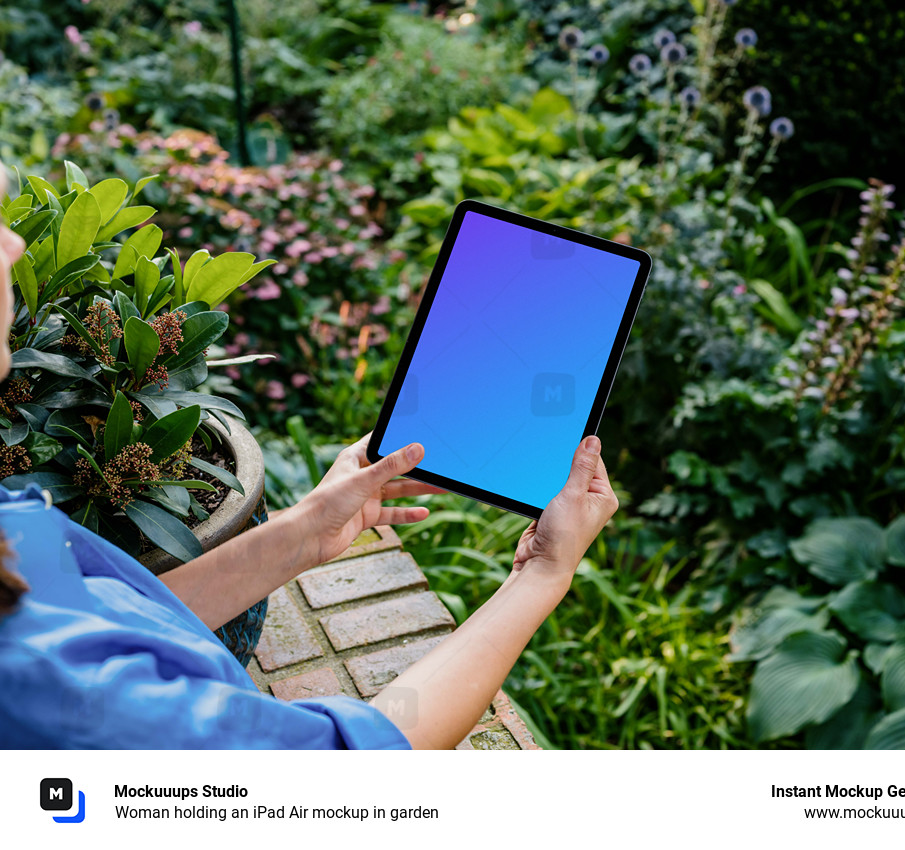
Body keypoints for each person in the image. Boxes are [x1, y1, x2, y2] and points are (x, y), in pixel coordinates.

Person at [0, 164, 619, 749]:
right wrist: (543, 572)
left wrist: (306, 530)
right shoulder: (60, 693)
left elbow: (122, 614)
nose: (14, 247)